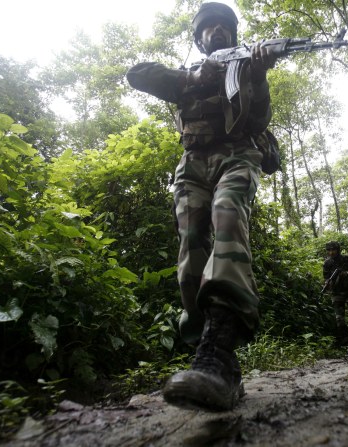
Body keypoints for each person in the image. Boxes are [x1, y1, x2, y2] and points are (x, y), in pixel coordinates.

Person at [126, 2, 276, 411]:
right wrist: (193, 75)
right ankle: (209, 345)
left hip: (238, 156)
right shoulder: (186, 77)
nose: (216, 32)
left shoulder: (245, 68)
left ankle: (219, 352)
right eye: (207, 28)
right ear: (198, 38)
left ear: (233, 33)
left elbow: (259, 122)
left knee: (227, 215)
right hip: (192, 163)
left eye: (223, 27)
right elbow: (136, 74)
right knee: (191, 243)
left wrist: (259, 75)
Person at [322, 241, 348, 350]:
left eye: (333, 250)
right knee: (339, 320)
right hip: (336, 293)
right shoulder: (327, 263)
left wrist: (347, 273)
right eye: (329, 250)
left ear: (338, 250)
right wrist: (327, 283)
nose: (331, 252)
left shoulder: (346, 259)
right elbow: (325, 277)